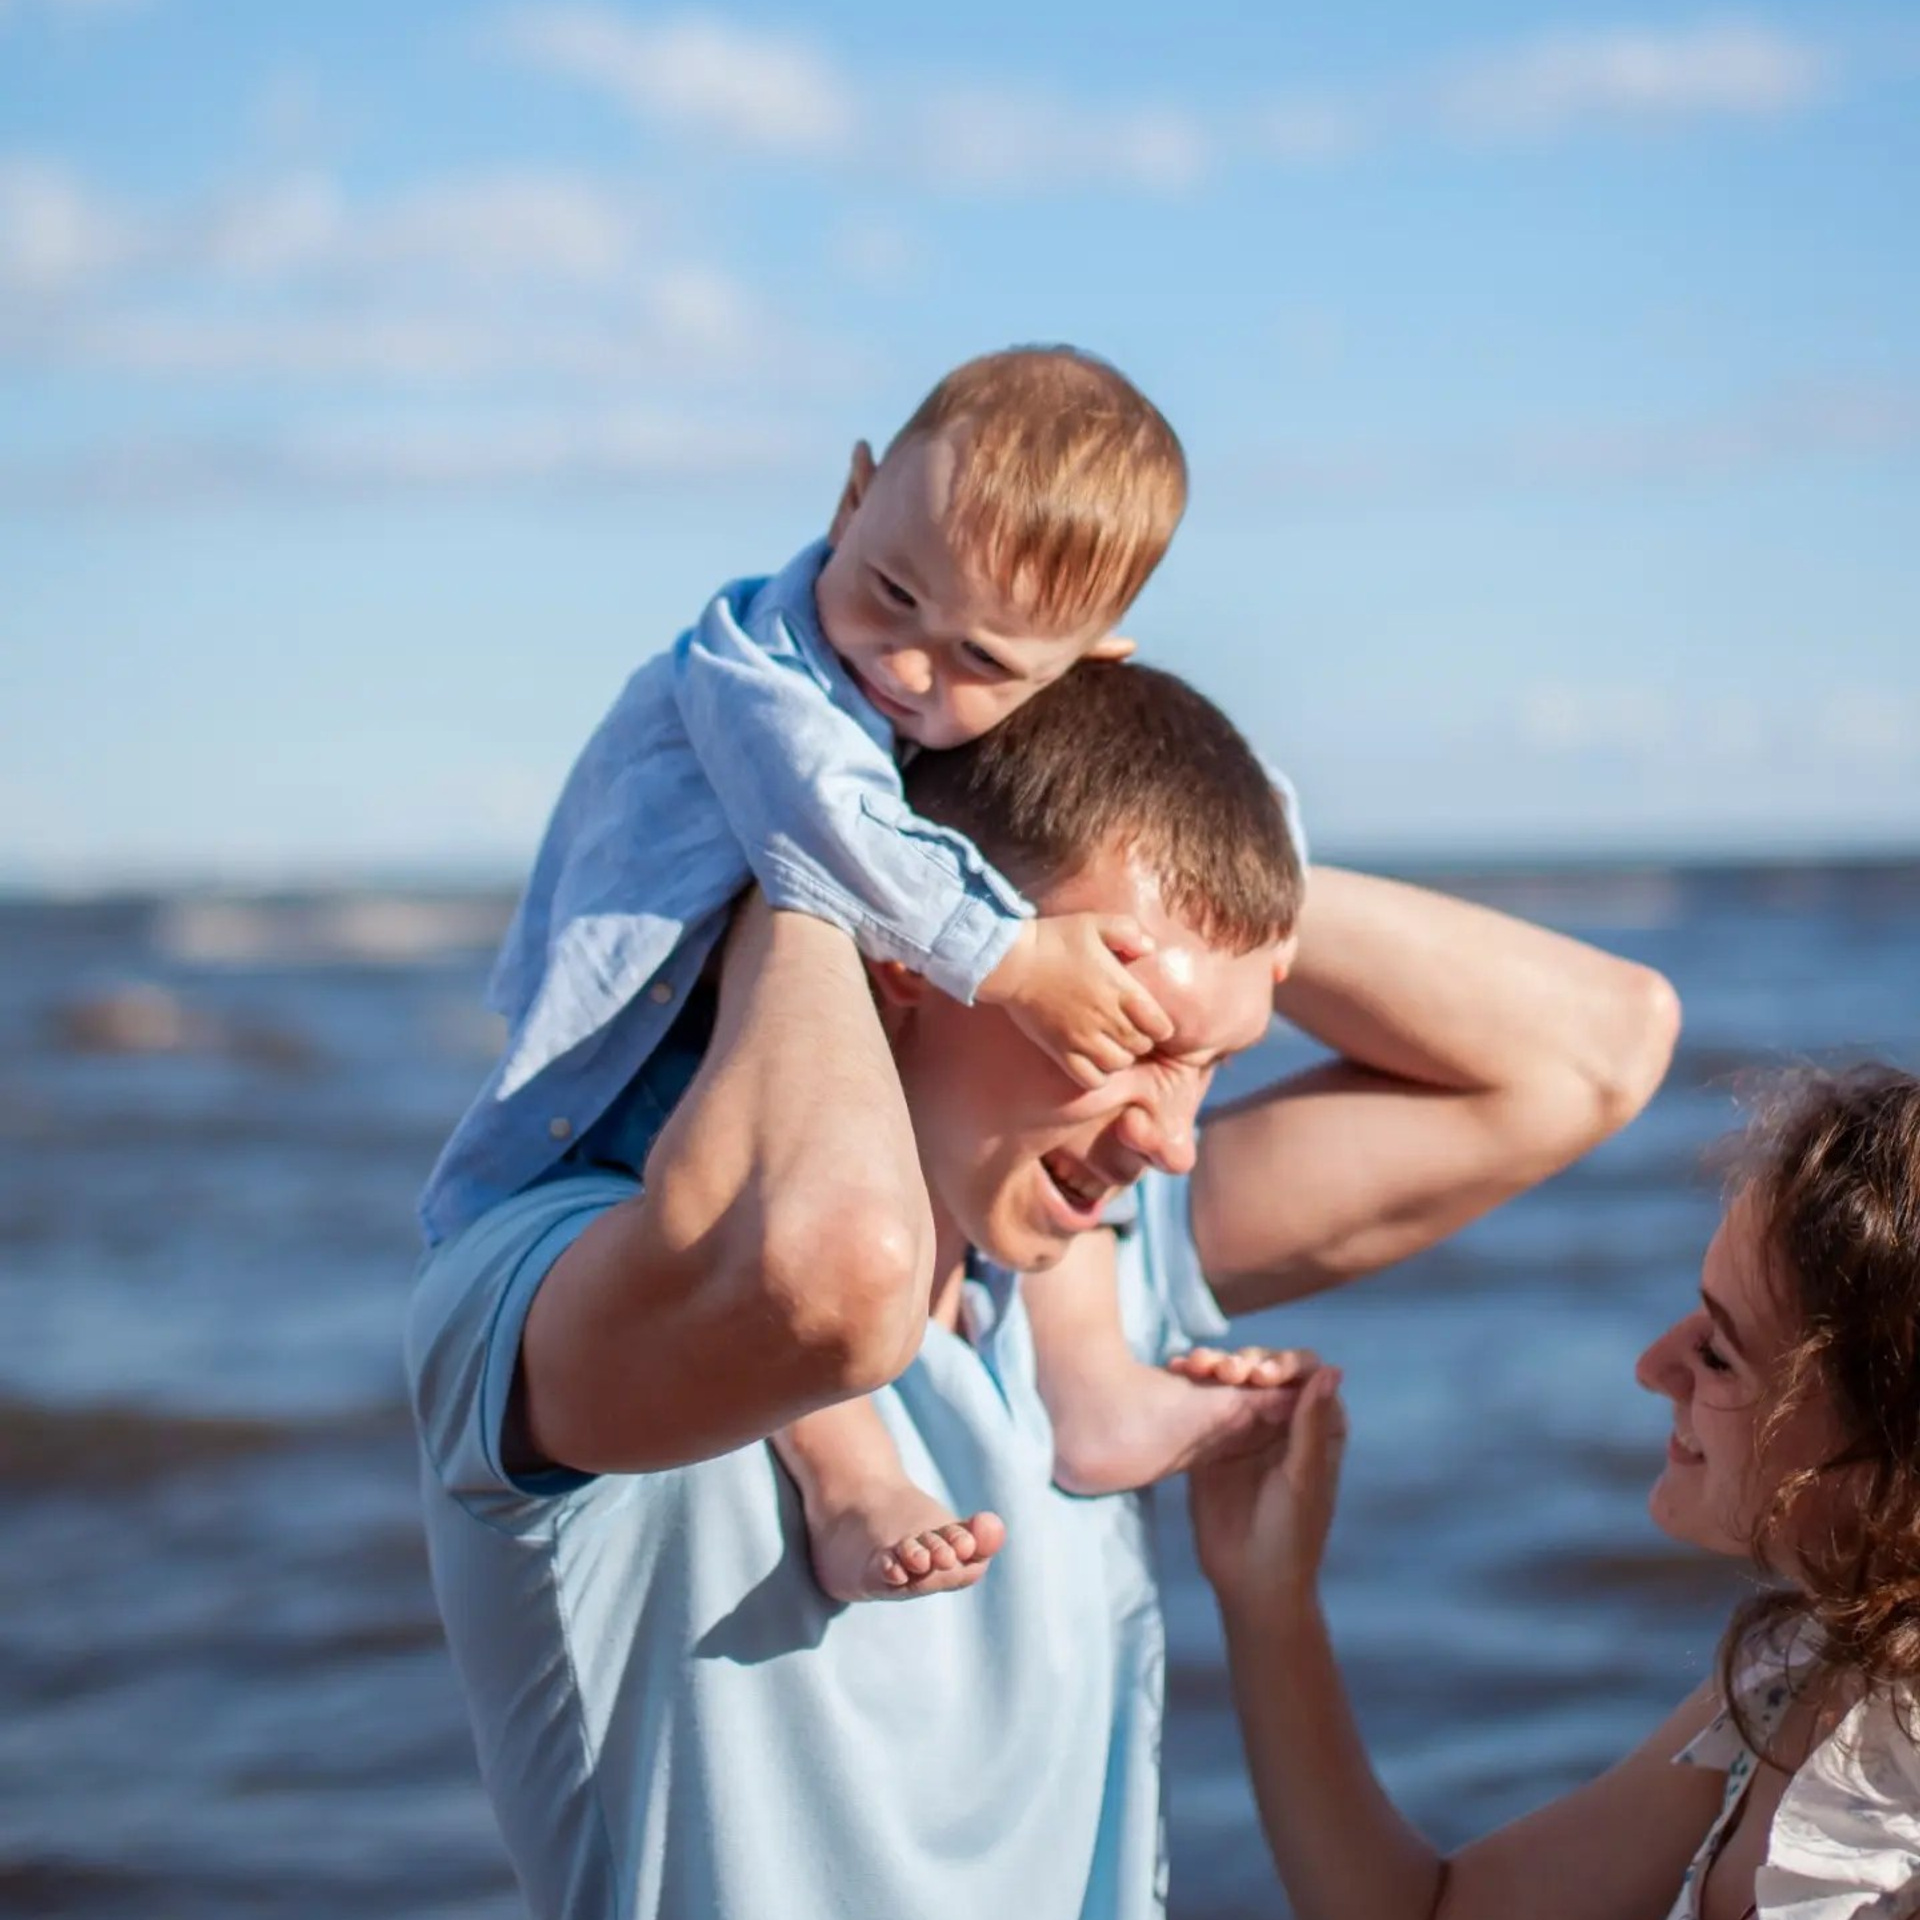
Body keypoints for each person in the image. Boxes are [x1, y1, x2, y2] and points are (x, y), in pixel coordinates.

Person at [407, 660, 1679, 1920]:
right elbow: (830, 1281)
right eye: (1131, 1038)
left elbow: (1601, 1049)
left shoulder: (1082, 1280)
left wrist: (1213, 839)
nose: (1171, 1140)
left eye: (1214, 1062)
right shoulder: (545, 1284)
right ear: (911, 957)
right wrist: (838, 848)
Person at [418, 342, 1320, 1603]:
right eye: (892, 592)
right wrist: (1011, 958)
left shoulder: (934, 682)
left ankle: (1092, 1380)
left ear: (1089, 660)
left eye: (986, 664)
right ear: (853, 498)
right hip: (639, 1048)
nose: (906, 669)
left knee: (1072, 1127)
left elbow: (1236, 790)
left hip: (793, 1016)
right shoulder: (758, 672)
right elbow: (826, 837)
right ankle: (847, 1479)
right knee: (740, 1204)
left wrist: (1282, 905)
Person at [1191, 1064, 1920, 1920]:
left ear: (1888, 1453)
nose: (1653, 1367)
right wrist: (1267, 1599)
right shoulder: (1795, 1676)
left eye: (1719, 1353)